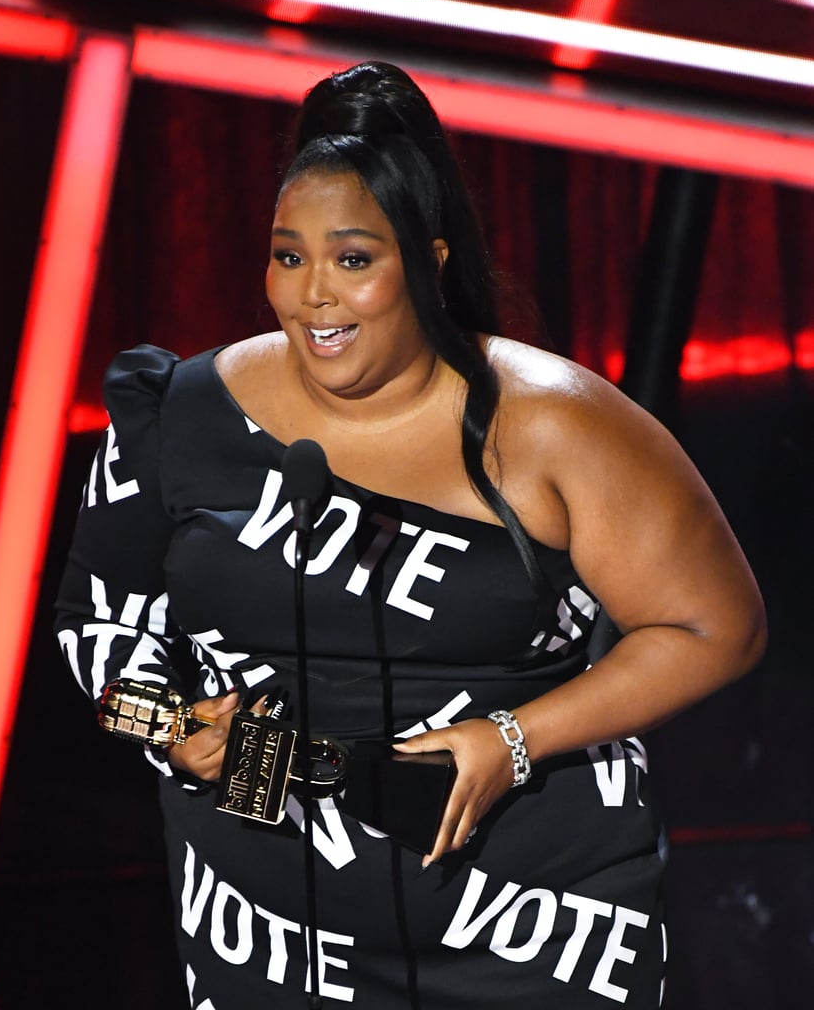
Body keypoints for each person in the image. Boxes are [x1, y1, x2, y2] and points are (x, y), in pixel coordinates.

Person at [54, 61, 766, 1009]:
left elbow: (716, 628)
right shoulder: (176, 413)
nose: (312, 296)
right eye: (287, 255)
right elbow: (97, 632)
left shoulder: (555, 422)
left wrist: (512, 739)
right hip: (269, 934)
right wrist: (174, 728)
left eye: (352, 260)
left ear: (424, 262)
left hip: (528, 929)